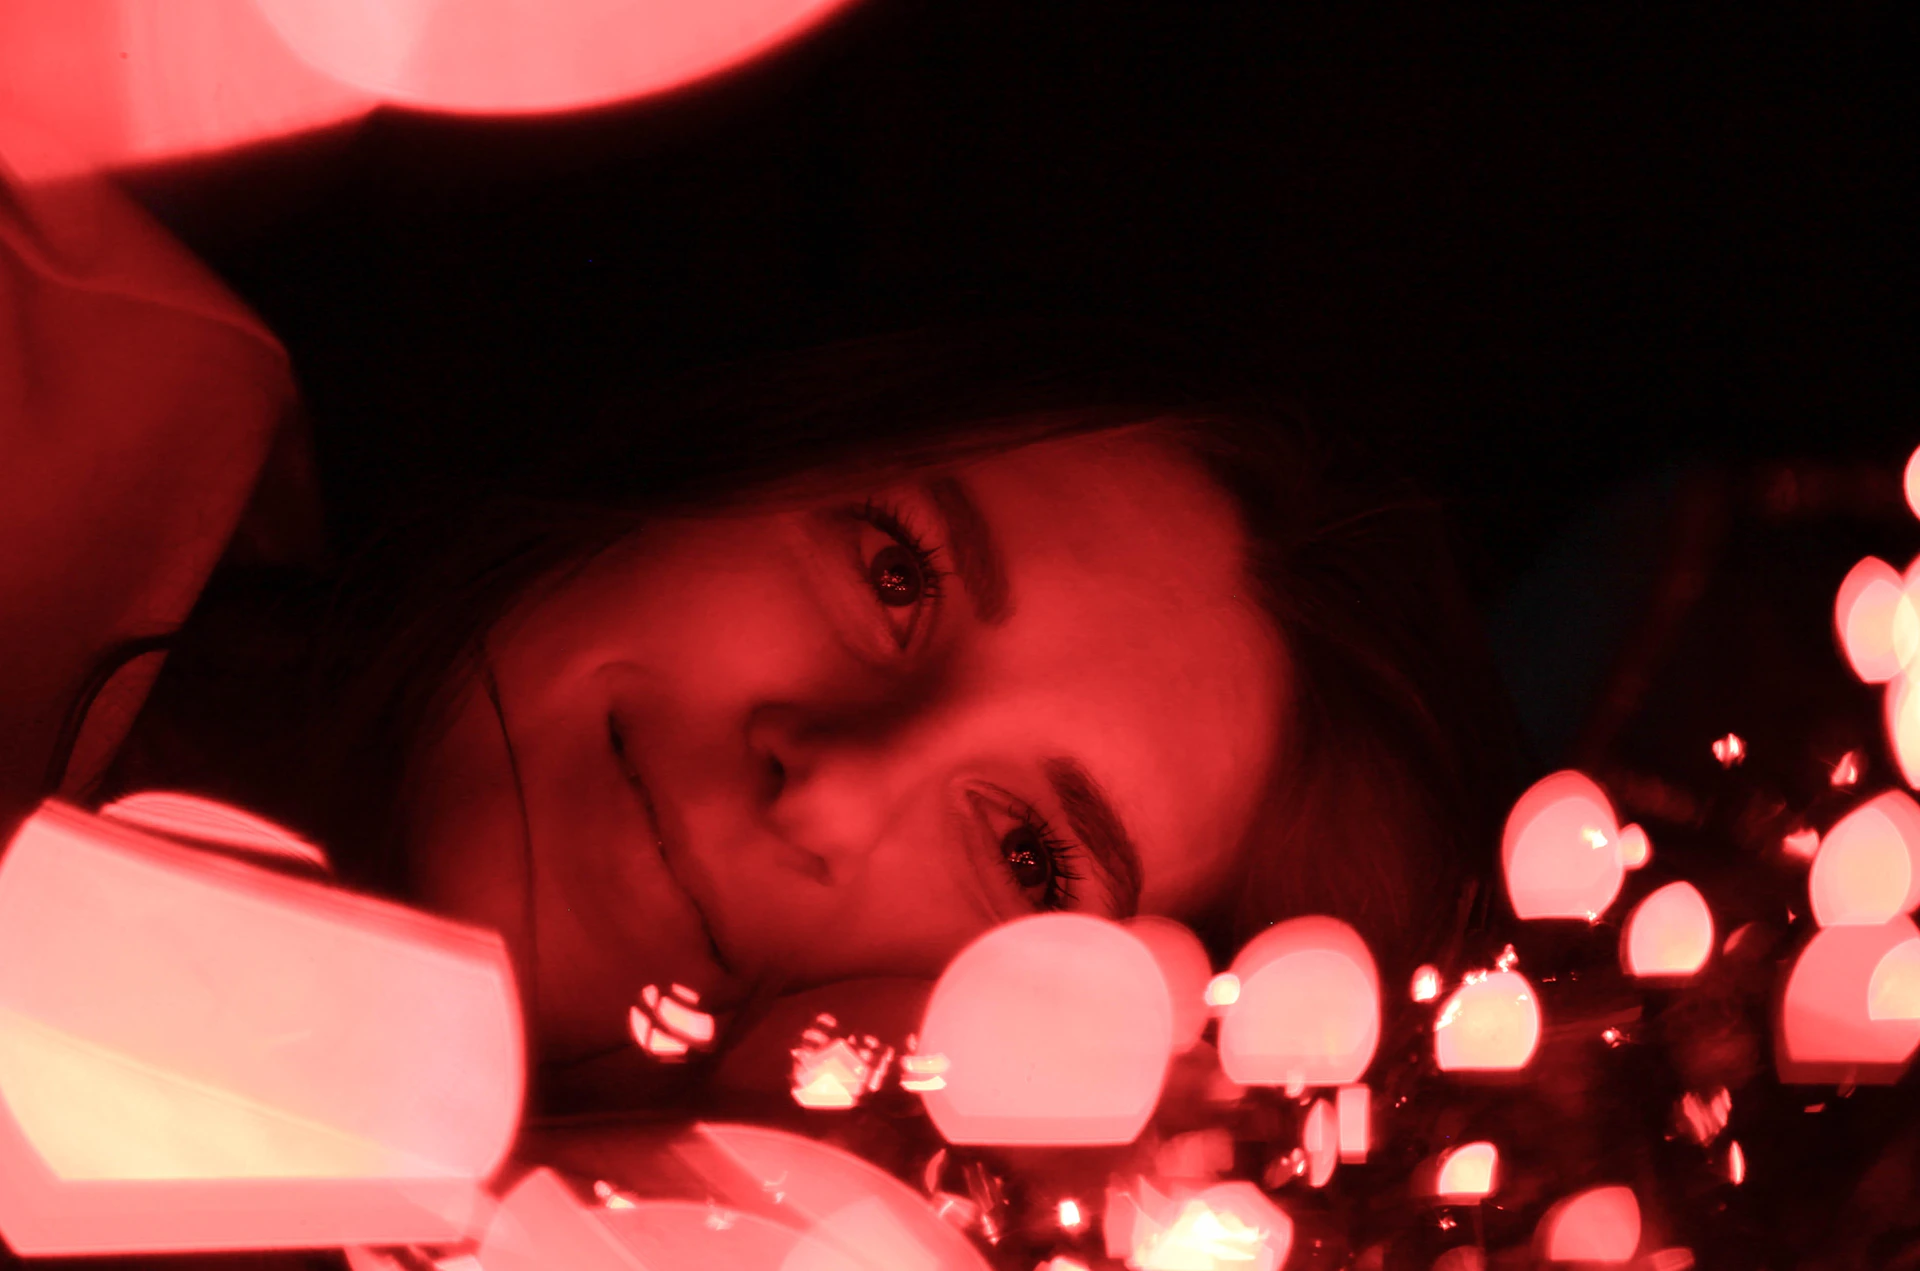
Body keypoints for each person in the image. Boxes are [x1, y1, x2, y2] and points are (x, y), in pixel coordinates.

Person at [7, 163, 1517, 1121]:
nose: (831, 784)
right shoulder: (69, 380)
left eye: (1033, 861)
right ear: (725, 445)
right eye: (894, 569)